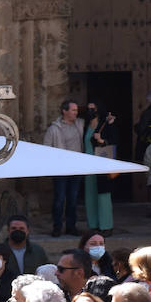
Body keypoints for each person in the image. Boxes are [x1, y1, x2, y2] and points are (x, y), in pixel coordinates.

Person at [41, 100, 84, 236]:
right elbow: (46, 148)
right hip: (60, 169)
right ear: (64, 111)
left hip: (76, 168)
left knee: (72, 199)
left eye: (76, 110)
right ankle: (57, 227)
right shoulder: (54, 128)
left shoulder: (80, 125)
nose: (76, 113)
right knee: (59, 199)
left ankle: (71, 227)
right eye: (73, 110)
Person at [83, 104, 116, 235]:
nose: (90, 111)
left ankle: (106, 226)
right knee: (90, 195)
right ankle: (94, 225)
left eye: (93, 108)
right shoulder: (84, 125)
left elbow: (114, 141)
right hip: (87, 165)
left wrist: (102, 140)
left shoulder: (106, 124)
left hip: (102, 163)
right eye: (89, 108)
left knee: (103, 195)